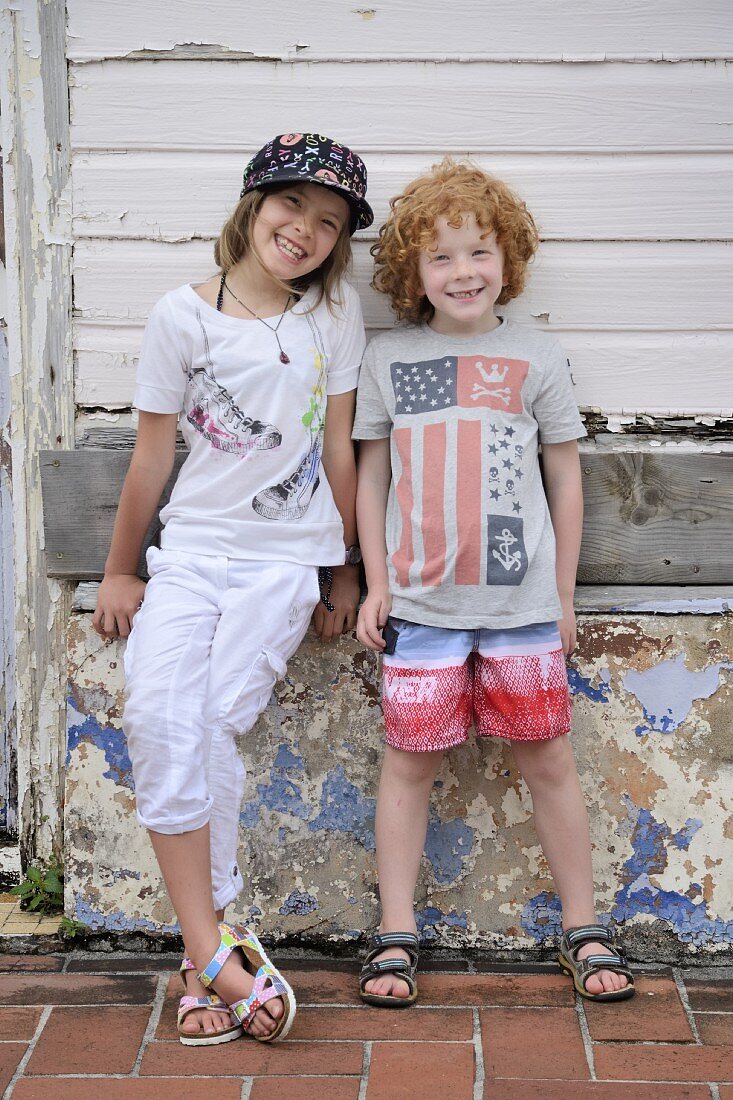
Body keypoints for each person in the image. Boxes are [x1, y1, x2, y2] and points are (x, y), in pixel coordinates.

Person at [92, 133, 373, 1045]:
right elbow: (152, 456)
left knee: (212, 723)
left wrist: (343, 569)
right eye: (293, 207)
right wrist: (121, 566)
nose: (307, 231)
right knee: (157, 717)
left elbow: (337, 452)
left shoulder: (332, 320)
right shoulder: (182, 316)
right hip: (190, 556)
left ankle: (198, 962)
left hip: (282, 565)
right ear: (253, 205)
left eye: (330, 223)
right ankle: (214, 947)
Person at [353, 158, 635, 1007]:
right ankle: (396, 934)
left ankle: (582, 925)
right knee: (407, 763)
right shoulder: (387, 360)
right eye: (440, 258)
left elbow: (566, 479)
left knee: (547, 757)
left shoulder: (536, 356)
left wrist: (562, 595)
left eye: (478, 251)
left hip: (519, 607)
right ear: (412, 275)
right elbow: (370, 478)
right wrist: (374, 583)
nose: (462, 271)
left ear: (507, 259)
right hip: (420, 604)